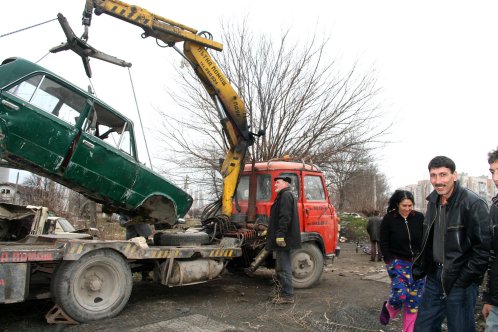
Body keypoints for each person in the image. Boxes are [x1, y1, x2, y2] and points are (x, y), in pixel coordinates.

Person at [413, 155, 490, 332]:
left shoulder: (473, 203)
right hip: (434, 278)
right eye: (433, 175)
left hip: (460, 279)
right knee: (423, 327)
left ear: (454, 176)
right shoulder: (433, 202)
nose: (438, 181)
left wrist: (463, 280)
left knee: (460, 328)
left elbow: (483, 250)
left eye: (443, 175)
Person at [378, 190, 424, 332]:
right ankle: (389, 307)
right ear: (397, 204)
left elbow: (425, 240)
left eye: (410, 205)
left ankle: (408, 330)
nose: (408, 209)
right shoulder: (389, 219)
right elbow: (383, 241)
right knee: (400, 295)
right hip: (398, 263)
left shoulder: (419, 217)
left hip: (417, 265)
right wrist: (389, 261)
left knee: (413, 302)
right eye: (404, 205)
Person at [266, 175, 301, 304]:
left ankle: (288, 295)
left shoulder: (285, 195)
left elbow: (285, 217)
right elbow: (278, 218)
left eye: (278, 182)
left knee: (284, 266)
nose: (275, 185)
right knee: (282, 265)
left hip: (284, 239)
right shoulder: (284, 195)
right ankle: (284, 292)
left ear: (285, 183)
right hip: (284, 237)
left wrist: (280, 235)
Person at [482, 148, 498, 331]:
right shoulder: (495, 207)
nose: (495, 178)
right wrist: (488, 298)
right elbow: (493, 257)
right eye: (493, 171)